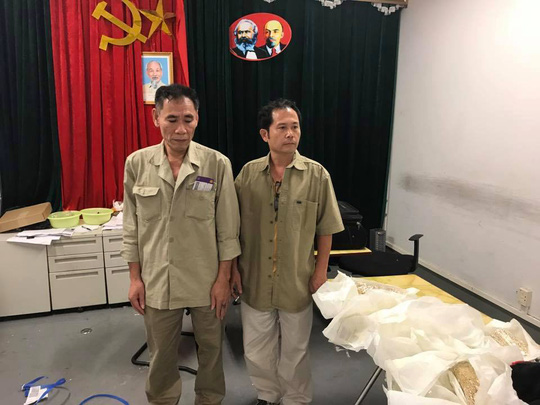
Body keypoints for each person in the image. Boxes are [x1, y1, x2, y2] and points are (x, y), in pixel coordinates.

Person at [122, 84, 241, 405]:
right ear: (155, 118)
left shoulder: (216, 164)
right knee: (161, 353)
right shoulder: (137, 164)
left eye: (188, 119)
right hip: (158, 279)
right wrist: (135, 278)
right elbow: (132, 227)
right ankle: (163, 400)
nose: (180, 129)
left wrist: (224, 279)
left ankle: (209, 399)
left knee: (212, 350)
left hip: (207, 279)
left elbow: (228, 229)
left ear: (197, 118)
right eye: (171, 119)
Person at [231, 99, 344, 405]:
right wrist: (233, 270)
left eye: (295, 127)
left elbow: (326, 228)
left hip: (297, 278)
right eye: (282, 127)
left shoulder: (317, 175)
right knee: (256, 348)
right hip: (255, 278)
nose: (290, 133)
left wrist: (320, 271)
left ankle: (296, 399)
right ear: (265, 134)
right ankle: (267, 395)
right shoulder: (248, 175)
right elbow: (231, 227)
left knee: (296, 349)